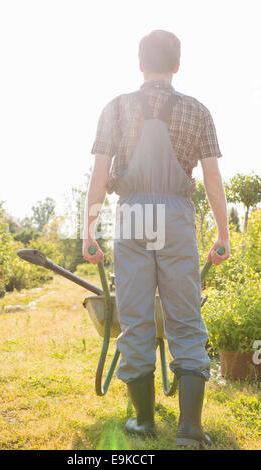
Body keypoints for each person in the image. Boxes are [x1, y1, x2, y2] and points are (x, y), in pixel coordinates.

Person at [83, 30, 230, 448]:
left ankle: (144, 422)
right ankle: (189, 429)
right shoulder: (198, 111)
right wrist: (222, 233)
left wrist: (89, 230)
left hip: (131, 215)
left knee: (135, 318)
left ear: (140, 63)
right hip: (176, 216)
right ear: (177, 65)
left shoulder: (115, 107)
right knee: (185, 317)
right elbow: (212, 176)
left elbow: (98, 175)